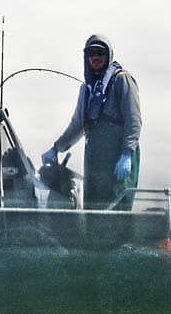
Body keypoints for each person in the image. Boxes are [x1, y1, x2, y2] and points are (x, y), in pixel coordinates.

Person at [41, 35, 141, 210]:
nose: (95, 57)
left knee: (117, 212)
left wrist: (127, 153)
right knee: (94, 211)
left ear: (108, 55)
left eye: (100, 53)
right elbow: (77, 124)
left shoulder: (122, 80)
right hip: (95, 160)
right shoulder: (86, 88)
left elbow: (134, 120)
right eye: (91, 53)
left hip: (117, 161)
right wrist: (56, 148)